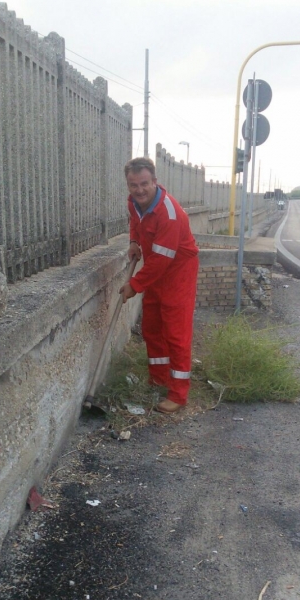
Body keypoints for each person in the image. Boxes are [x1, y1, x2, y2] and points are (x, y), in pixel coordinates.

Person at [119, 157, 199, 414]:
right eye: (134, 185)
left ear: (155, 181)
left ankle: (178, 393)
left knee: (176, 332)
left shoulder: (169, 214)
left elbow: (163, 260)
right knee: (152, 326)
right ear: (128, 185)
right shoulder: (134, 203)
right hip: (156, 268)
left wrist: (134, 285)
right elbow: (136, 222)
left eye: (144, 184)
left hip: (178, 272)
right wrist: (134, 241)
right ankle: (159, 378)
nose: (139, 190)